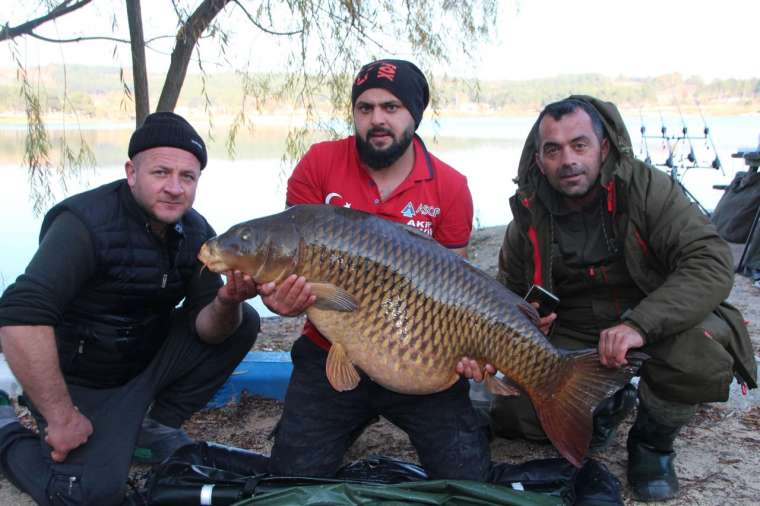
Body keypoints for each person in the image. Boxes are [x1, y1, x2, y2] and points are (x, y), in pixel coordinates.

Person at [459, 96, 757, 502]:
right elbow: (505, 292)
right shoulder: (528, 212)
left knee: (697, 354)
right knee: (514, 414)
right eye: (553, 150)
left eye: (579, 145)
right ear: (539, 158)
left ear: (604, 147)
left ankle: (652, 444)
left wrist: (639, 325)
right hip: (573, 325)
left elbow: (710, 261)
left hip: (653, 312)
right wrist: (528, 318)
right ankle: (606, 402)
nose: (567, 160)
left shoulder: (648, 189)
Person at [0, 112, 261, 505]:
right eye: (161, 172)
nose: (174, 188)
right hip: (78, 380)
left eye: (187, 177)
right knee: (87, 495)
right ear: (131, 172)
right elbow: (19, 317)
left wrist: (226, 302)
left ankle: (149, 426)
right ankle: (4, 429)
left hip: (142, 366)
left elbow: (211, 332)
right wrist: (61, 417)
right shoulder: (84, 223)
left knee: (243, 320)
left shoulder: (195, 232)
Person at [258, 59, 491, 481]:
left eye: (391, 107)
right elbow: (287, 258)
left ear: (414, 115)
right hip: (328, 347)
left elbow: (455, 293)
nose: (376, 119)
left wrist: (472, 351)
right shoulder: (318, 164)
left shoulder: (451, 188)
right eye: (364, 108)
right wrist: (280, 299)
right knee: (291, 481)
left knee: (468, 480)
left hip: (420, 356)